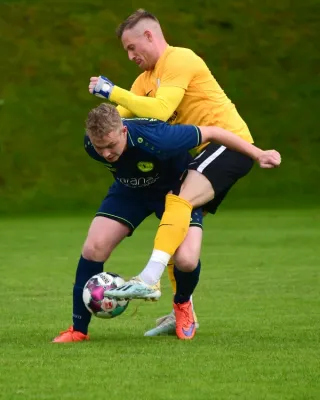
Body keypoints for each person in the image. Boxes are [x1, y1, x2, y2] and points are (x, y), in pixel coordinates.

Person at [88, 9, 281, 335]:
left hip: (228, 144)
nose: (131, 56)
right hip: (205, 155)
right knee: (186, 255)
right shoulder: (144, 81)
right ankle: (181, 308)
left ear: (150, 36)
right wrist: (99, 127)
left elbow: (161, 109)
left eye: (133, 48)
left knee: (177, 199)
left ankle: (149, 279)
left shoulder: (180, 60)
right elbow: (118, 120)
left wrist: (112, 91)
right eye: (126, 52)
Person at [52, 104, 280, 343]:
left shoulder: (159, 137)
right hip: (130, 191)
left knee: (187, 260)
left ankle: (182, 305)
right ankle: (78, 330)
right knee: (93, 247)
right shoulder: (91, 144)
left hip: (177, 190)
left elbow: (213, 132)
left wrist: (258, 154)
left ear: (123, 132)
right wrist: (105, 150)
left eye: (111, 146)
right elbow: (109, 154)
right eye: (101, 148)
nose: (107, 153)